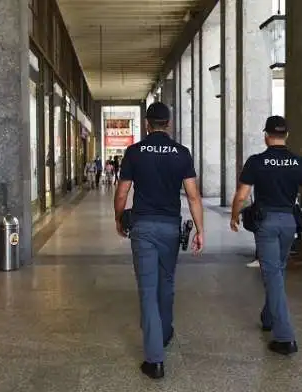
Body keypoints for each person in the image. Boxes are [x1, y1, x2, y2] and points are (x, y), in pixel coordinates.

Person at [114, 102, 204, 379]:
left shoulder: (134, 152)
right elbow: (192, 196)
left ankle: (154, 359)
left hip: (143, 227)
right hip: (170, 227)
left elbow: (122, 193)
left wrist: (119, 218)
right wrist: (200, 229)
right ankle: (164, 333)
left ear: (146, 123)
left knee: (148, 290)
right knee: (166, 283)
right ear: (169, 123)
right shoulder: (181, 153)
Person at [229, 115, 302, 356]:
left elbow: (241, 195)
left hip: (266, 223)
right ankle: (268, 317)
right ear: (287, 135)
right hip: (289, 223)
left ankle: (284, 337)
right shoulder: (299, 162)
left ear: (266, 136)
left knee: (272, 275)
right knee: (277, 270)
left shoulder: (257, 162)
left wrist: (234, 215)